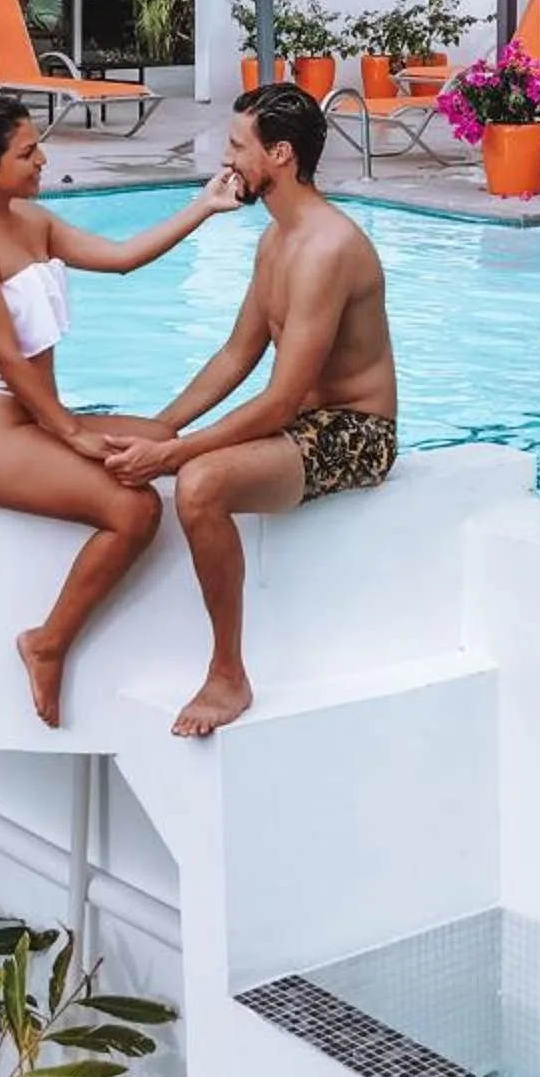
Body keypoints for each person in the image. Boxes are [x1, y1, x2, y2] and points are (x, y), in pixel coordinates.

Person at [0, 94, 240, 726]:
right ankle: (47, 643)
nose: (43, 159)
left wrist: (204, 207)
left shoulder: (33, 221)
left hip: (34, 414)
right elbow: (7, 360)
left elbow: (124, 259)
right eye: (27, 152)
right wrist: (69, 431)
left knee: (159, 439)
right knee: (134, 509)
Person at [106, 83, 398, 737]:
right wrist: (162, 427)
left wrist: (176, 454)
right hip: (300, 425)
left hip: (356, 432)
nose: (226, 157)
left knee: (199, 485)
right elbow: (236, 355)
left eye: (238, 146)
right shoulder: (276, 242)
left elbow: (281, 400)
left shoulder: (327, 249)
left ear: (281, 155)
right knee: (134, 440)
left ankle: (228, 673)